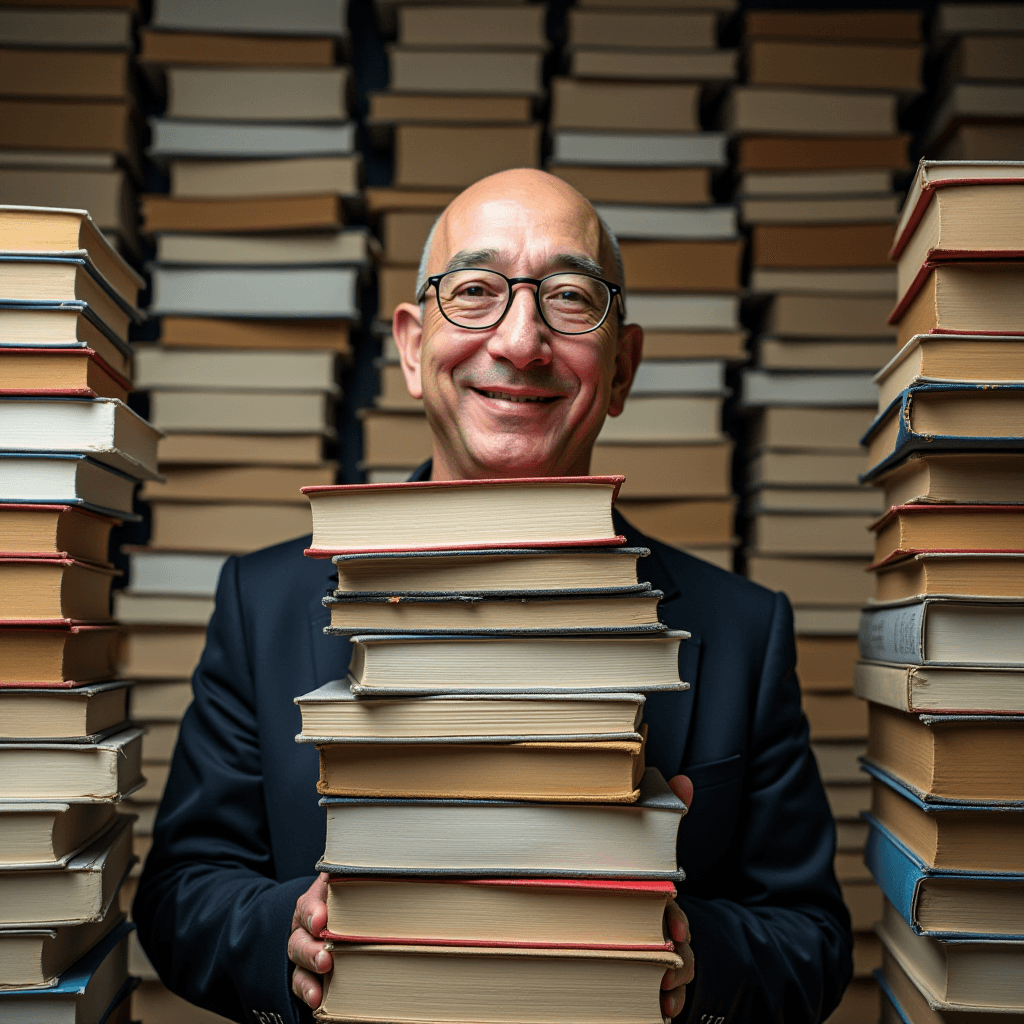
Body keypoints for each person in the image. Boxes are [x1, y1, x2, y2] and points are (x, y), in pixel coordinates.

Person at [134, 169, 853, 1024]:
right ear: (410, 347)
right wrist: (283, 935)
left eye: (570, 298)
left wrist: (695, 957)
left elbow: (812, 939)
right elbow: (180, 894)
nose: (520, 340)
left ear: (622, 367)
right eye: (474, 292)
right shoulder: (263, 604)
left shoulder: (743, 630)